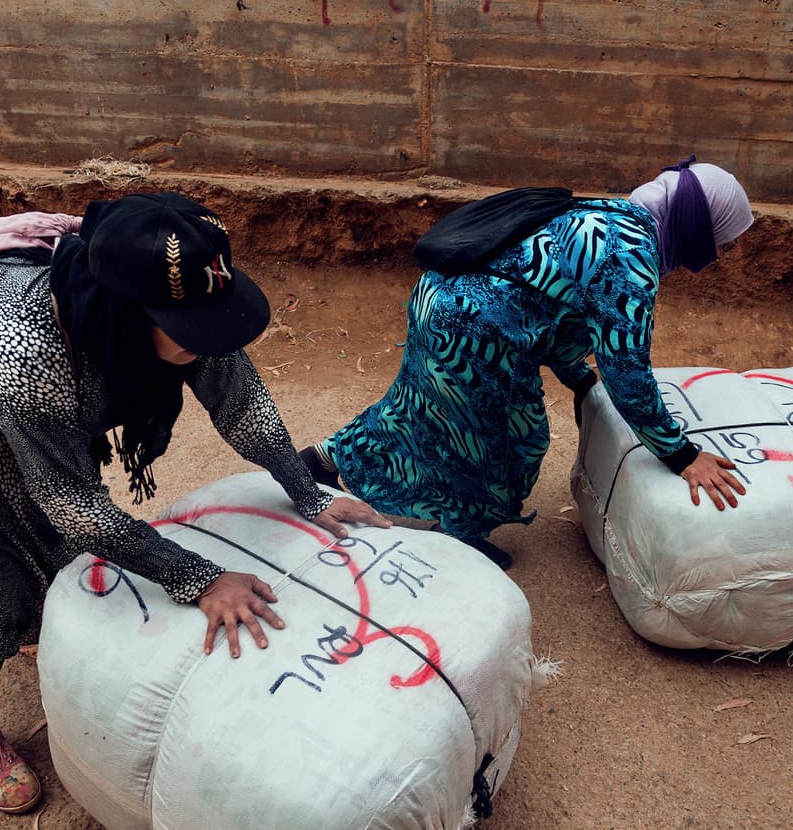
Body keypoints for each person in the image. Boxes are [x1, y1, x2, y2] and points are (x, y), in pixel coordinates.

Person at [0, 192, 389, 813]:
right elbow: (75, 504)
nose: (209, 339)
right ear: (124, 313)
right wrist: (200, 577)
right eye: (191, 328)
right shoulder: (27, 352)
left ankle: (37, 619)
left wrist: (307, 492)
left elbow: (240, 401)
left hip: (36, 384)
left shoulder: (178, 306)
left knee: (54, 543)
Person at [299, 158, 755, 570]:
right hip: (476, 333)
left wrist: (578, 379)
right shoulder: (630, 257)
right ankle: (463, 536)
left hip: (440, 299)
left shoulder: (611, 216)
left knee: (420, 406)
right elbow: (628, 370)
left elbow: (552, 309)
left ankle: (324, 458)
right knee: (505, 439)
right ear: (696, 225)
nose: (718, 255)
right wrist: (682, 456)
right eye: (722, 241)